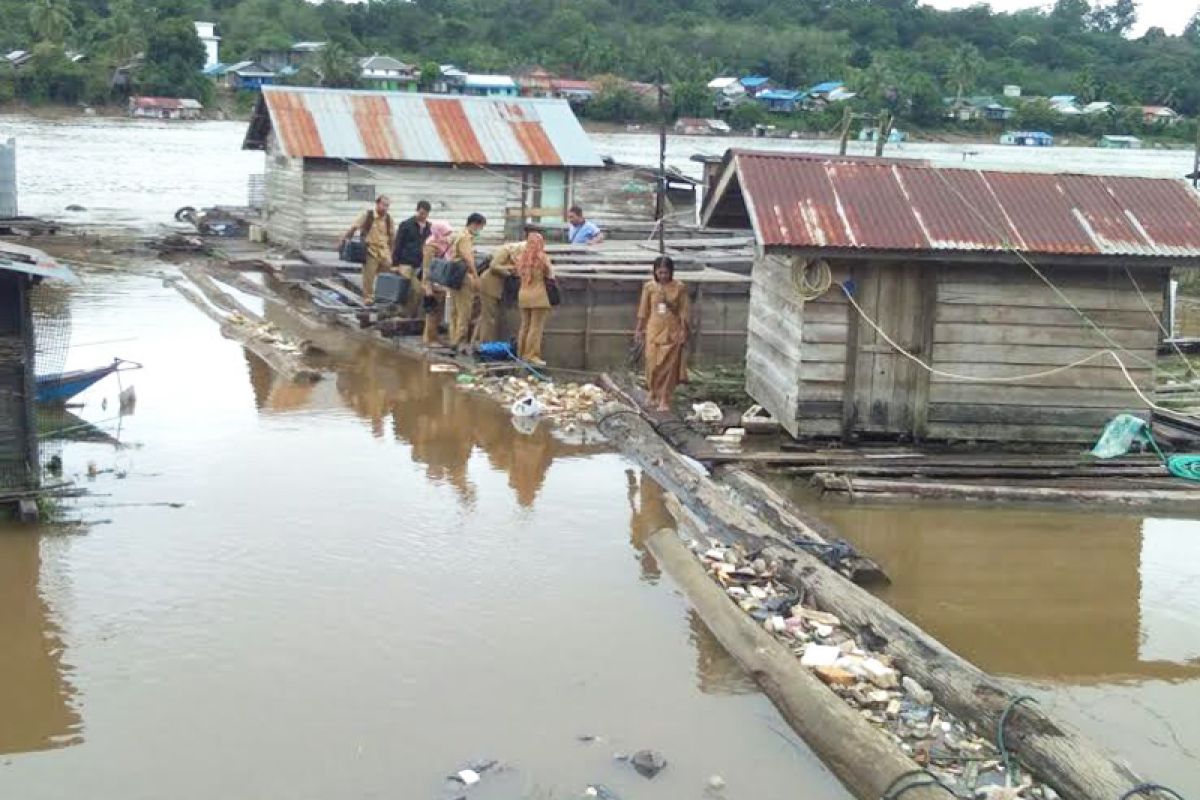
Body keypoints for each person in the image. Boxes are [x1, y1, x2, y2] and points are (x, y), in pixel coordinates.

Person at [636, 255, 690, 412]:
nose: (663, 276)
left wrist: (683, 330)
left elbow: (684, 311)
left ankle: (664, 398)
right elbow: (643, 310)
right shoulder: (649, 287)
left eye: (666, 273)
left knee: (668, 367)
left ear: (671, 272)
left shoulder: (679, 287)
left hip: (672, 331)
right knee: (652, 364)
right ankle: (652, 392)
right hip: (653, 330)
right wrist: (639, 329)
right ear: (655, 272)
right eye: (660, 273)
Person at [474, 226, 534, 346]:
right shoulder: (506, 250)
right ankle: (486, 345)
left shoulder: (521, 253)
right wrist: (511, 269)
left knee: (486, 315)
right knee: (489, 317)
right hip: (489, 284)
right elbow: (494, 265)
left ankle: (476, 342)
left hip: (499, 286)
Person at [339, 195, 394, 305]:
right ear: (377, 204)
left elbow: (392, 236)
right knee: (369, 276)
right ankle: (368, 298)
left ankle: (382, 297)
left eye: (387, 206)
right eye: (383, 205)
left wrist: (392, 252)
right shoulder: (367, 215)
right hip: (370, 250)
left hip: (384, 252)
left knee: (387, 275)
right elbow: (354, 227)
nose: (385, 208)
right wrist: (344, 240)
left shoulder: (388, 219)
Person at [447, 213, 486, 352]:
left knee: (455, 310)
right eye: (480, 227)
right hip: (462, 276)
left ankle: (453, 338)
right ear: (475, 224)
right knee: (464, 310)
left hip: (454, 275)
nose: (479, 230)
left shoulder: (459, 235)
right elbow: (468, 259)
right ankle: (458, 341)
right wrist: (476, 277)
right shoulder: (465, 238)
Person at [516, 230, 555, 366]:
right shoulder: (542, 257)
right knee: (536, 327)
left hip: (523, 295)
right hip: (539, 296)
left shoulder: (521, 258)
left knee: (524, 325)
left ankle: (520, 354)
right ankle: (532, 355)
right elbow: (550, 274)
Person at [392, 200, 432, 318]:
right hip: (405, 262)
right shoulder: (406, 224)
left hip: (420, 262)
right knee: (407, 288)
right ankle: (405, 313)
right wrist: (395, 263)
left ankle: (412, 314)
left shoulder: (429, 228)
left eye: (425, 213)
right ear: (417, 210)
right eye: (421, 213)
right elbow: (398, 244)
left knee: (418, 290)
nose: (422, 216)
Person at [421, 221, 454, 347]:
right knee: (432, 312)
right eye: (445, 233)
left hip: (440, 283)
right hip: (432, 283)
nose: (447, 236)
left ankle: (432, 337)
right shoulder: (431, 246)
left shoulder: (444, 245)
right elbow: (427, 267)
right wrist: (428, 286)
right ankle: (430, 339)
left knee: (438, 312)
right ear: (438, 232)